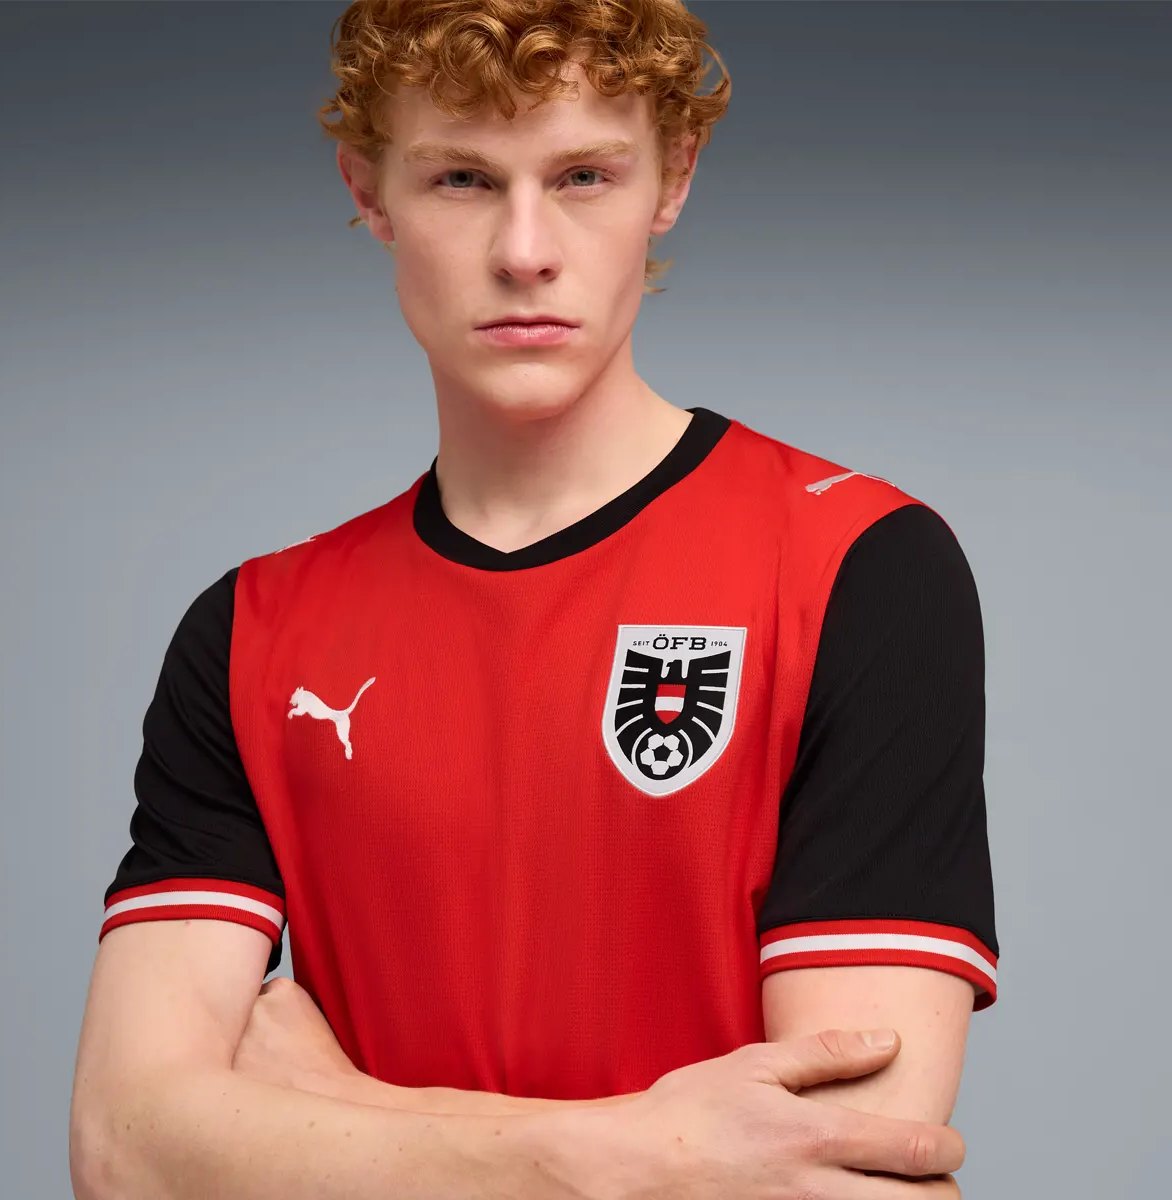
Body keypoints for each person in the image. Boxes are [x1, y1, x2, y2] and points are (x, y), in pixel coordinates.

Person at [69, 2, 997, 1197]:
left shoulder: (859, 565)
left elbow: (840, 1175)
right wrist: (634, 1158)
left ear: (673, 179)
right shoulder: (251, 631)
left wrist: (344, 1115)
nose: (524, 251)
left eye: (583, 178)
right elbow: (125, 1153)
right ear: (368, 190)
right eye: (461, 178)